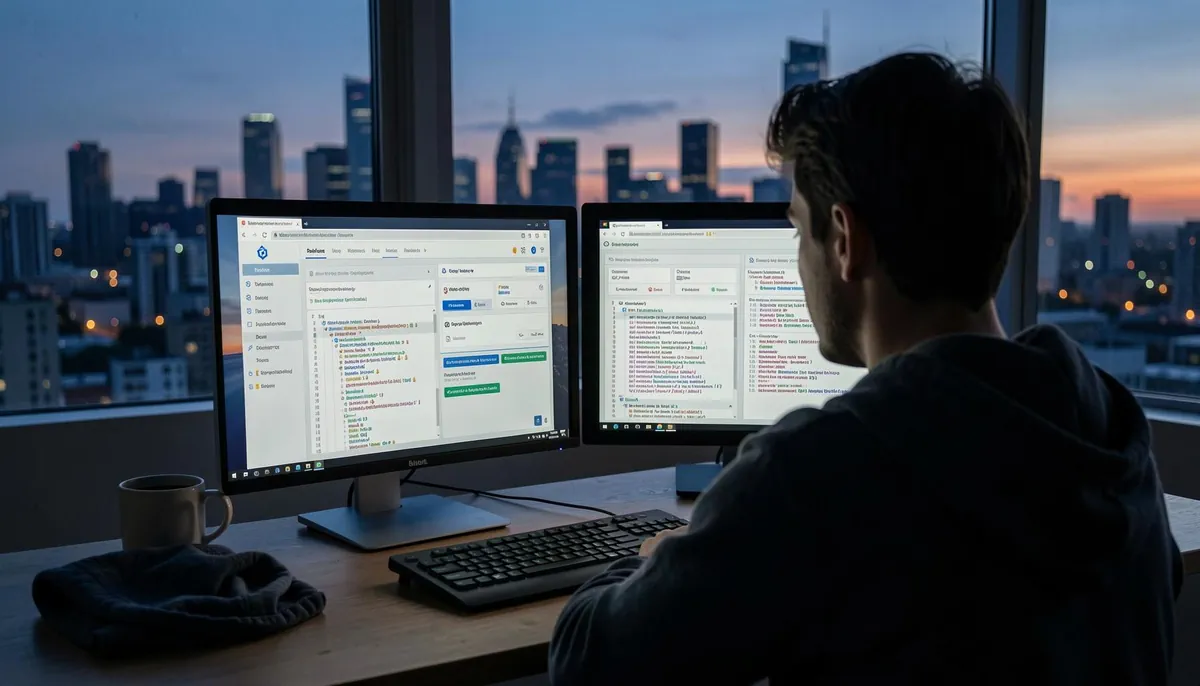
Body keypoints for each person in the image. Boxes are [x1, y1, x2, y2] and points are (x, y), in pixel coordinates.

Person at [548, 52, 1183, 685]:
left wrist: (655, 563)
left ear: (846, 242)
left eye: (799, 232)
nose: (800, 259)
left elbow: (588, 661)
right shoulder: (1108, 428)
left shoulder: (817, 472)